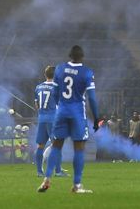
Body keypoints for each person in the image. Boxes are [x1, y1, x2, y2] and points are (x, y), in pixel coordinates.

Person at [37, 45, 100, 195]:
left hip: (62, 111)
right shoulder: (86, 72)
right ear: (82, 57)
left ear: (70, 56)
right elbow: (91, 98)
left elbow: (55, 92)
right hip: (77, 113)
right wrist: (97, 118)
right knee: (79, 148)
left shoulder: (60, 69)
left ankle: (47, 178)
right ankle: (76, 185)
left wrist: (61, 106)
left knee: (56, 145)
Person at [34, 65, 66, 178]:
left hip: (42, 119)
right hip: (53, 119)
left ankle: (39, 171)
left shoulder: (38, 87)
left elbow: (37, 105)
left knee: (40, 146)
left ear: (45, 75)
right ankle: (57, 171)